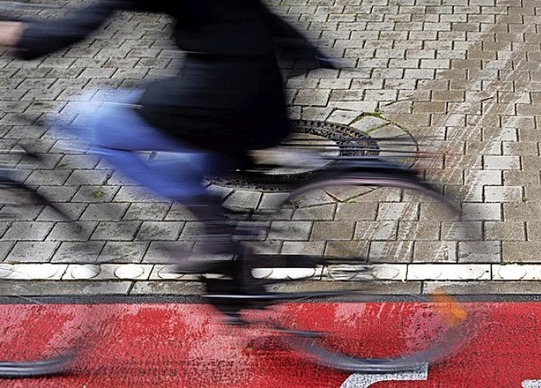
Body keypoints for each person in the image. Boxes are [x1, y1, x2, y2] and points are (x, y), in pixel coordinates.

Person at [0, 0, 332, 289]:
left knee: (89, 125)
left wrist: (20, 37)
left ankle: (216, 226)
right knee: (104, 102)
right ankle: (213, 187)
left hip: (226, 102)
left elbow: (83, 22)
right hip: (258, 91)